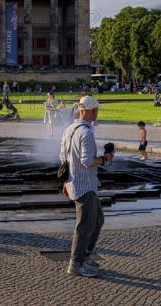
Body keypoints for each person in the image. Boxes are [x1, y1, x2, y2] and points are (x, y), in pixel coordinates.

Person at [60, 95, 111, 278]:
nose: (97, 113)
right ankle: (76, 264)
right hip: (84, 186)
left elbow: (62, 157)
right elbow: (88, 161)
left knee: (98, 220)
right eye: (96, 110)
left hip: (78, 183)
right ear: (91, 111)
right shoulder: (87, 133)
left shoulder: (69, 129)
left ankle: (86, 256)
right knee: (84, 227)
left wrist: (67, 181)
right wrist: (105, 159)